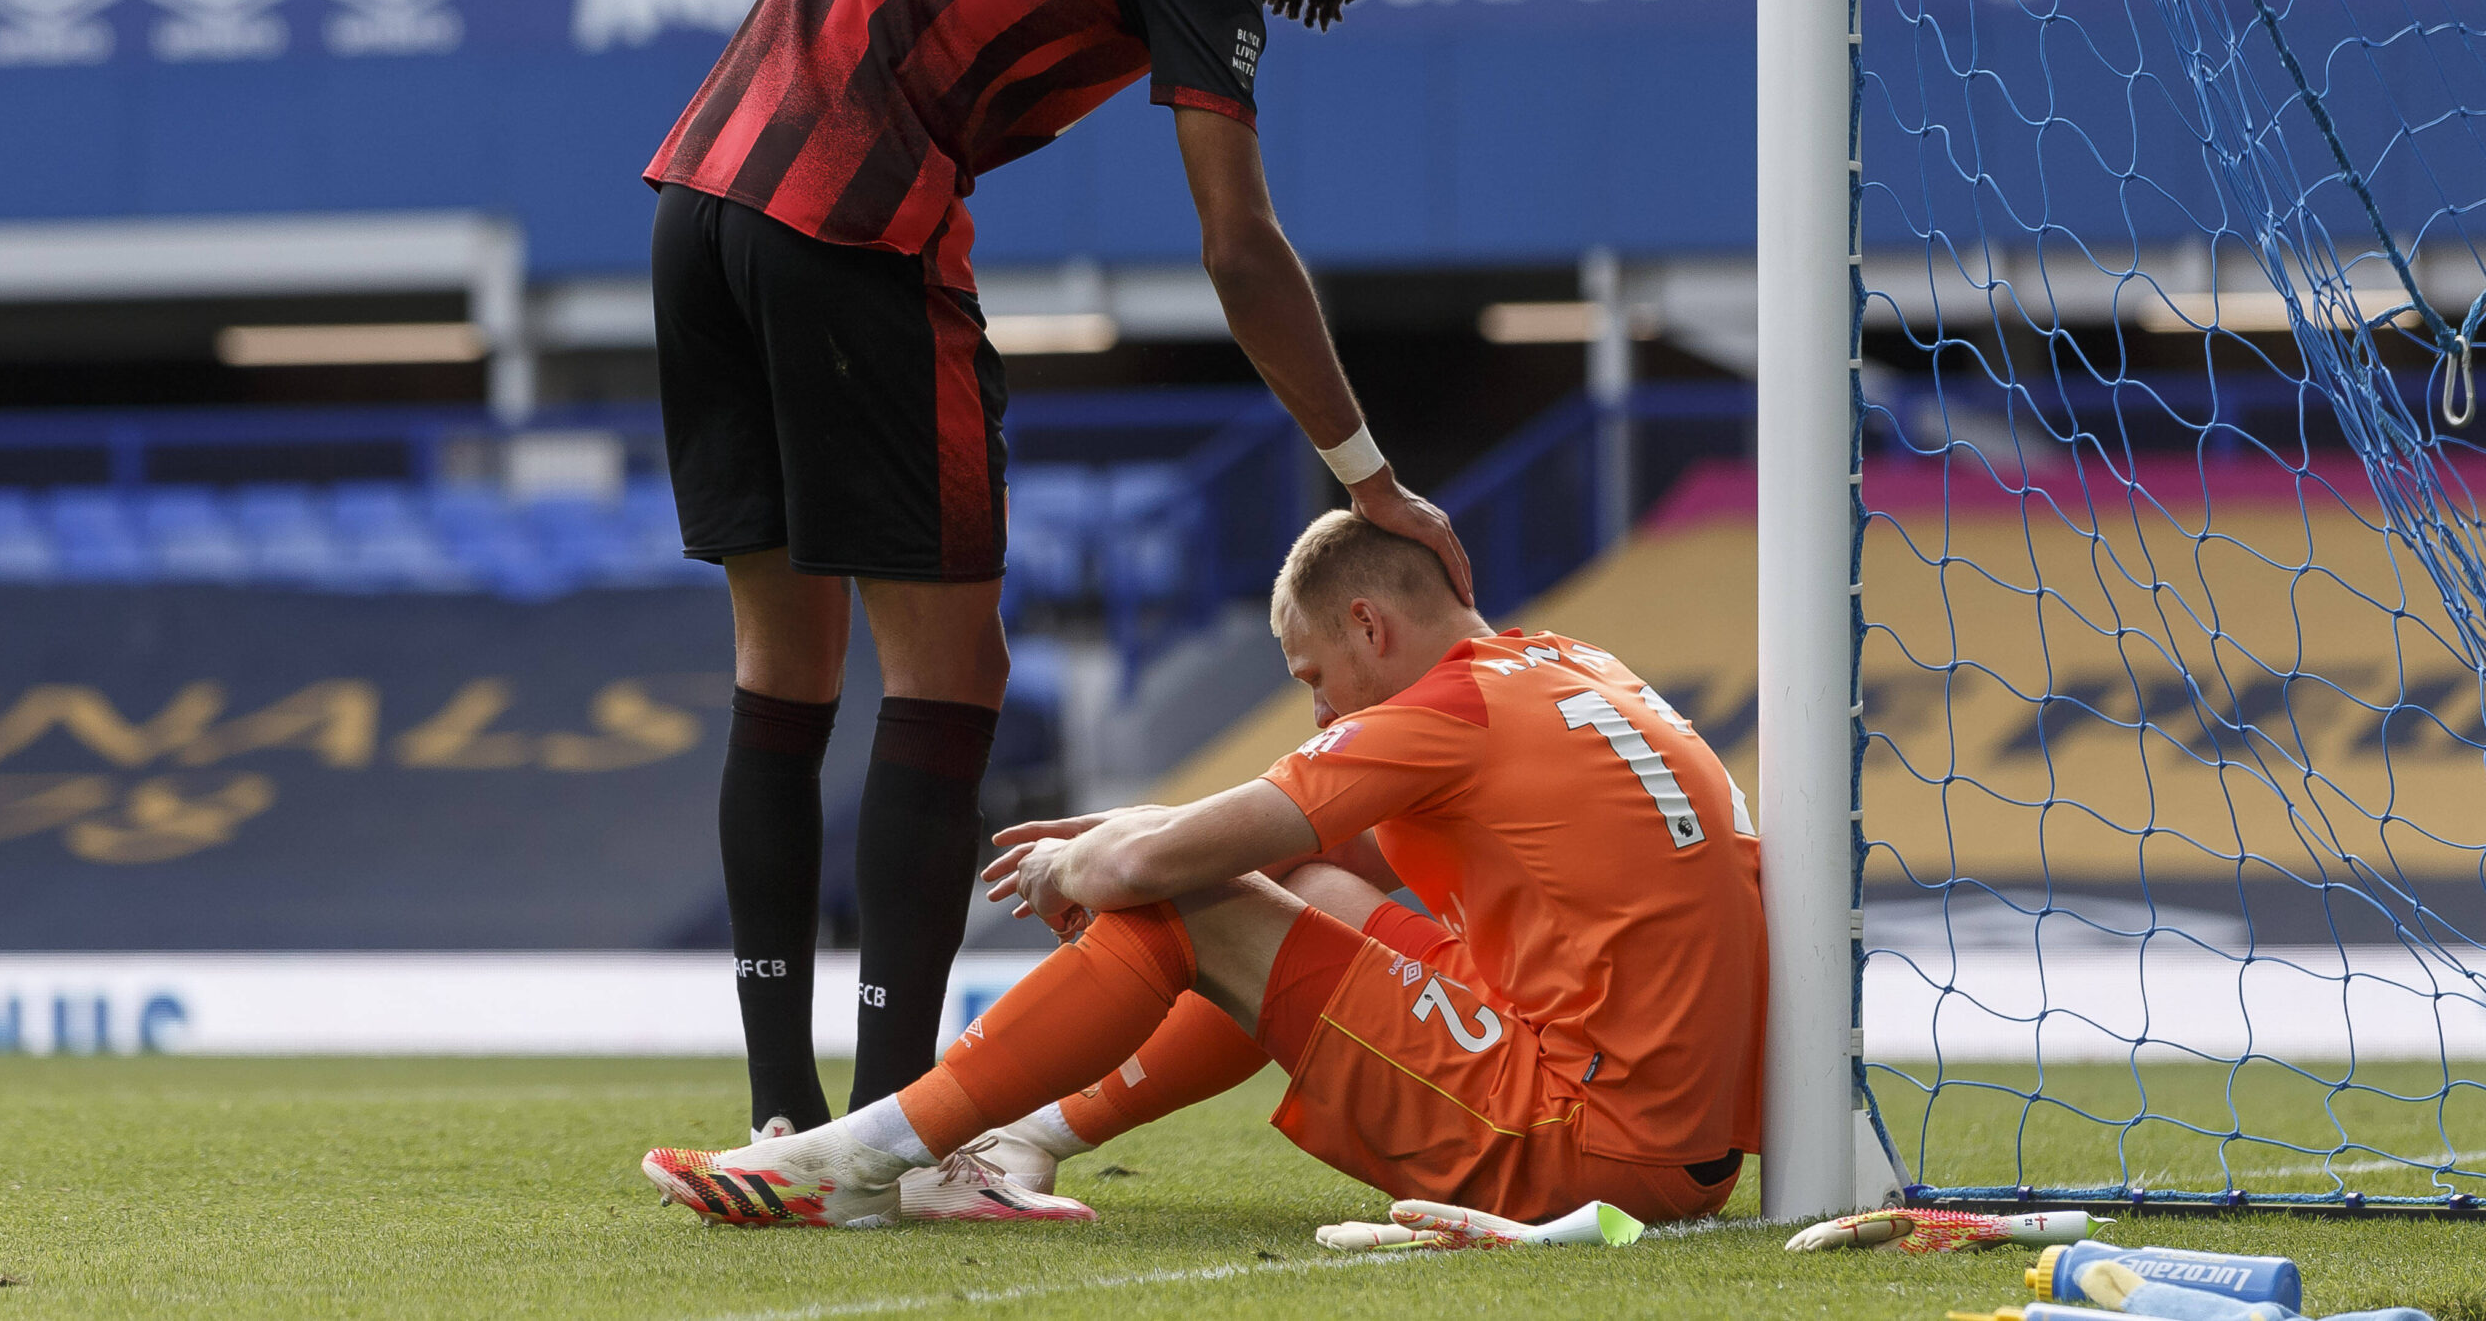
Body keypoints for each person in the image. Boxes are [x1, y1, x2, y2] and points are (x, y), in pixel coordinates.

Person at [644, 0, 1474, 1218]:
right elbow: (1238, 244)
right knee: (955, 670)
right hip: (855, 227)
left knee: (783, 666)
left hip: (699, 202)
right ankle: (895, 1153)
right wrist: (1371, 474)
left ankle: (784, 1115)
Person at [641, 512, 1766, 1230]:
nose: (1319, 712)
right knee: (1303, 897)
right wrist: (1134, 840)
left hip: (1585, 1149)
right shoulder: (1566, 666)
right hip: (1677, 1140)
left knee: (1188, 903)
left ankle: (864, 1157)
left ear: (1370, 626)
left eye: (1315, 676)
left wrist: (1104, 857)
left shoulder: (1444, 711)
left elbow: (1155, 865)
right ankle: (1017, 1144)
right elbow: (1306, 853)